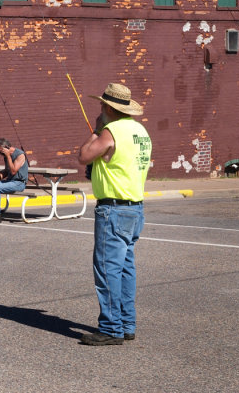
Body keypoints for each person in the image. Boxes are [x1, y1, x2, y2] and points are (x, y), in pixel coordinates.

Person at [77, 83, 152, 345]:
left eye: (101, 106)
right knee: (125, 269)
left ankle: (111, 329)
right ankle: (127, 323)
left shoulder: (111, 131)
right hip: (135, 208)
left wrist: (97, 129)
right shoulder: (140, 131)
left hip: (114, 209)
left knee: (108, 270)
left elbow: (84, 155)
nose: (99, 109)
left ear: (109, 107)